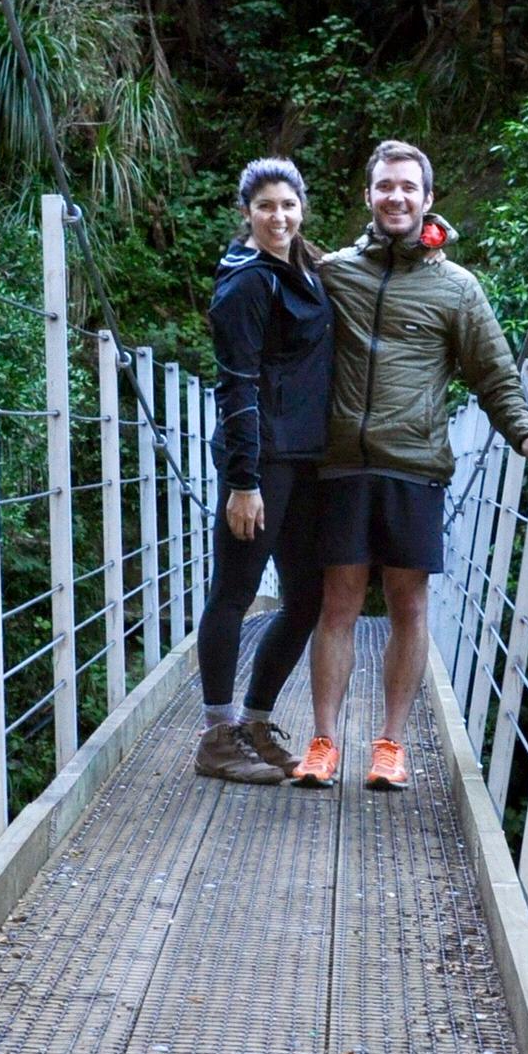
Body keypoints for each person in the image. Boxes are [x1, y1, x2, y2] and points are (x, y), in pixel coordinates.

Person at [291, 139, 528, 792]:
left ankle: (392, 746)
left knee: (409, 601)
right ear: (368, 196)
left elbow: (493, 372)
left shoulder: (457, 288)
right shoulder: (335, 272)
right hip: (342, 463)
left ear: (428, 199)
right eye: (384, 186)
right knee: (338, 601)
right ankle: (322, 743)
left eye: (408, 187)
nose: (395, 196)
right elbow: (277, 311)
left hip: (415, 465)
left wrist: (526, 433)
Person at [194, 157, 333, 783]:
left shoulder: (302, 266)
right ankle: (217, 736)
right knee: (235, 592)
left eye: (288, 205)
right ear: (247, 212)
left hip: (305, 461)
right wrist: (243, 482)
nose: (279, 216)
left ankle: (255, 721)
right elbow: (237, 384)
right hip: (262, 461)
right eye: (266, 206)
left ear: (302, 207)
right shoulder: (247, 283)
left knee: (306, 597)